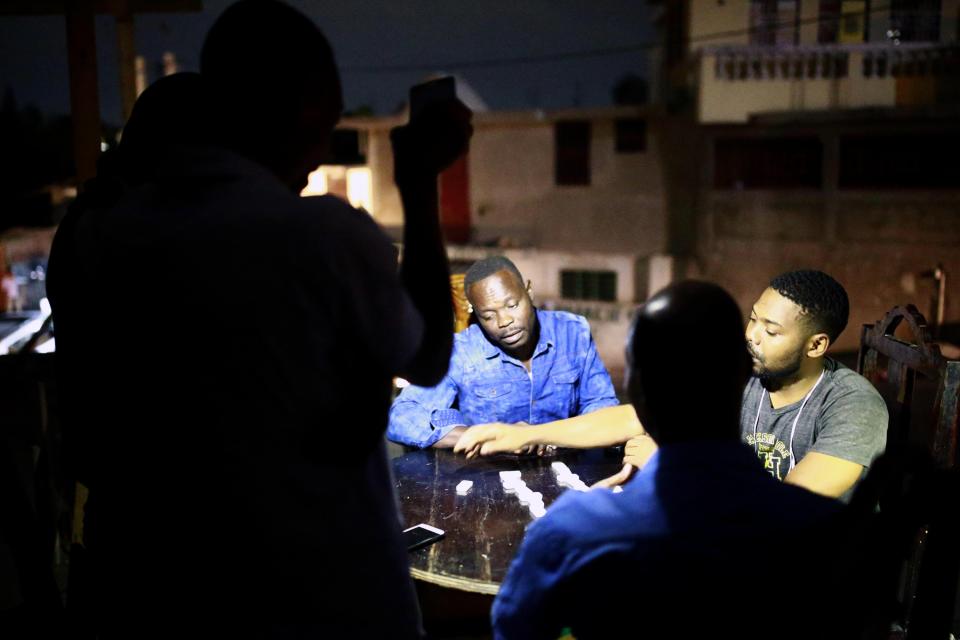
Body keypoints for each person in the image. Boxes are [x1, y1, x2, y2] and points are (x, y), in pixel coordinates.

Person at [63, 1, 470, 636]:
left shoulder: (101, 239)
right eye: (328, 121)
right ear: (308, 107)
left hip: (156, 589)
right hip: (322, 600)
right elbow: (426, 358)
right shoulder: (326, 239)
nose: (320, 152)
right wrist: (419, 185)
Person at [492, 281, 852, 640]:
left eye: (770, 329)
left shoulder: (574, 528)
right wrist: (528, 433)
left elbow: (515, 630)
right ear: (744, 373)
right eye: (753, 322)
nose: (756, 336)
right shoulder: (821, 531)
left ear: (634, 389)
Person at [387, 255, 641, 450]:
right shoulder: (460, 352)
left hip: (565, 468)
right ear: (476, 314)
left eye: (512, 305)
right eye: (488, 315)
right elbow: (402, 417)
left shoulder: (573, 332)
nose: (504, 321)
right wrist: (487, 437)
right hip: (488, 481)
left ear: (528, 292)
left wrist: (555, 436)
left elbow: (601, 406)